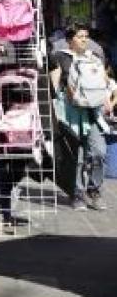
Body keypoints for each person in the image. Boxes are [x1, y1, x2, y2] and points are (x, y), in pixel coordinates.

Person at [49, 23, 109, 212]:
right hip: (70, 112)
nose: (85, 40)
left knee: (99, 151)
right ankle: (77, 193)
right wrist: (53, 111)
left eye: (86, 36)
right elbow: (54, 85)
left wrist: (106, 99)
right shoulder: (59, 57)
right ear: (69, 40)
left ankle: (94, 189)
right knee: (76, 156)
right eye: (80, 36)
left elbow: (104, 81)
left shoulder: (95, 57)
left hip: (93, 111)